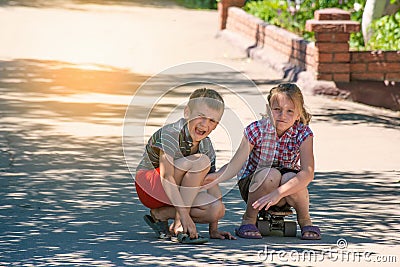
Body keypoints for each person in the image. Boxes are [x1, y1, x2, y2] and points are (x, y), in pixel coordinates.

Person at [203, 83, 321, 240]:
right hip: (256, 184)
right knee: (270, 174)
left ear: (298, 115)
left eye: (289, 111)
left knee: (292, 177)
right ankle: (249, 219)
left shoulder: (303, 133)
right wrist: (213, 177)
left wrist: (278, 193)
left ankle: (305, 220)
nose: (282, 115)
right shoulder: (256, 130)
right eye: (277, 109)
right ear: (268, 110)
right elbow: (236, 164)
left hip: (285, 190)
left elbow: (308, 172)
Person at [135, 88, 236, 244]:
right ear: (187, 113)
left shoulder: (206, 146)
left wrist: (214, 230)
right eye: (201, 116)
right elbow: (166, 176)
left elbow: (211, 183)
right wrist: (183, 217)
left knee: (217, 209)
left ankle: (160, 214)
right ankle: (180, 223)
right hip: (150, 186)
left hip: (176, 190)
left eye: (212, 121)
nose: (205, 124)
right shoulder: (170, 133)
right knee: (201, 161)